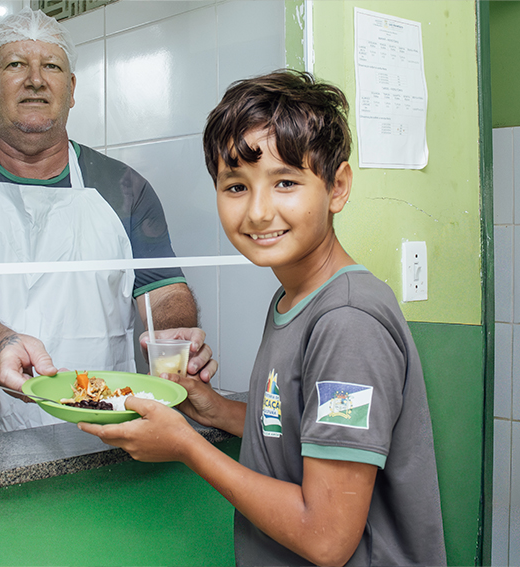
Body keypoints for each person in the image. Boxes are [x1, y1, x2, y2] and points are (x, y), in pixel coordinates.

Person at [80, 70, 447, 566]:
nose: (257, 211)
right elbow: (295, 427)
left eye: (286, 182)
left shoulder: (347, 322)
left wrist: (188, 447)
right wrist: (206, 406)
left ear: (337, 187)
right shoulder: (293, 299)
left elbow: (326, 537)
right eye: (235, 186)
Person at [0, 7, 216, 440]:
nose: (35, 79)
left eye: (51, 66)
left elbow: (163, 293)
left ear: (70, 90)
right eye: (15, 65)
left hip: (103, 430)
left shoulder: (124, 186)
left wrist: (175, 335)